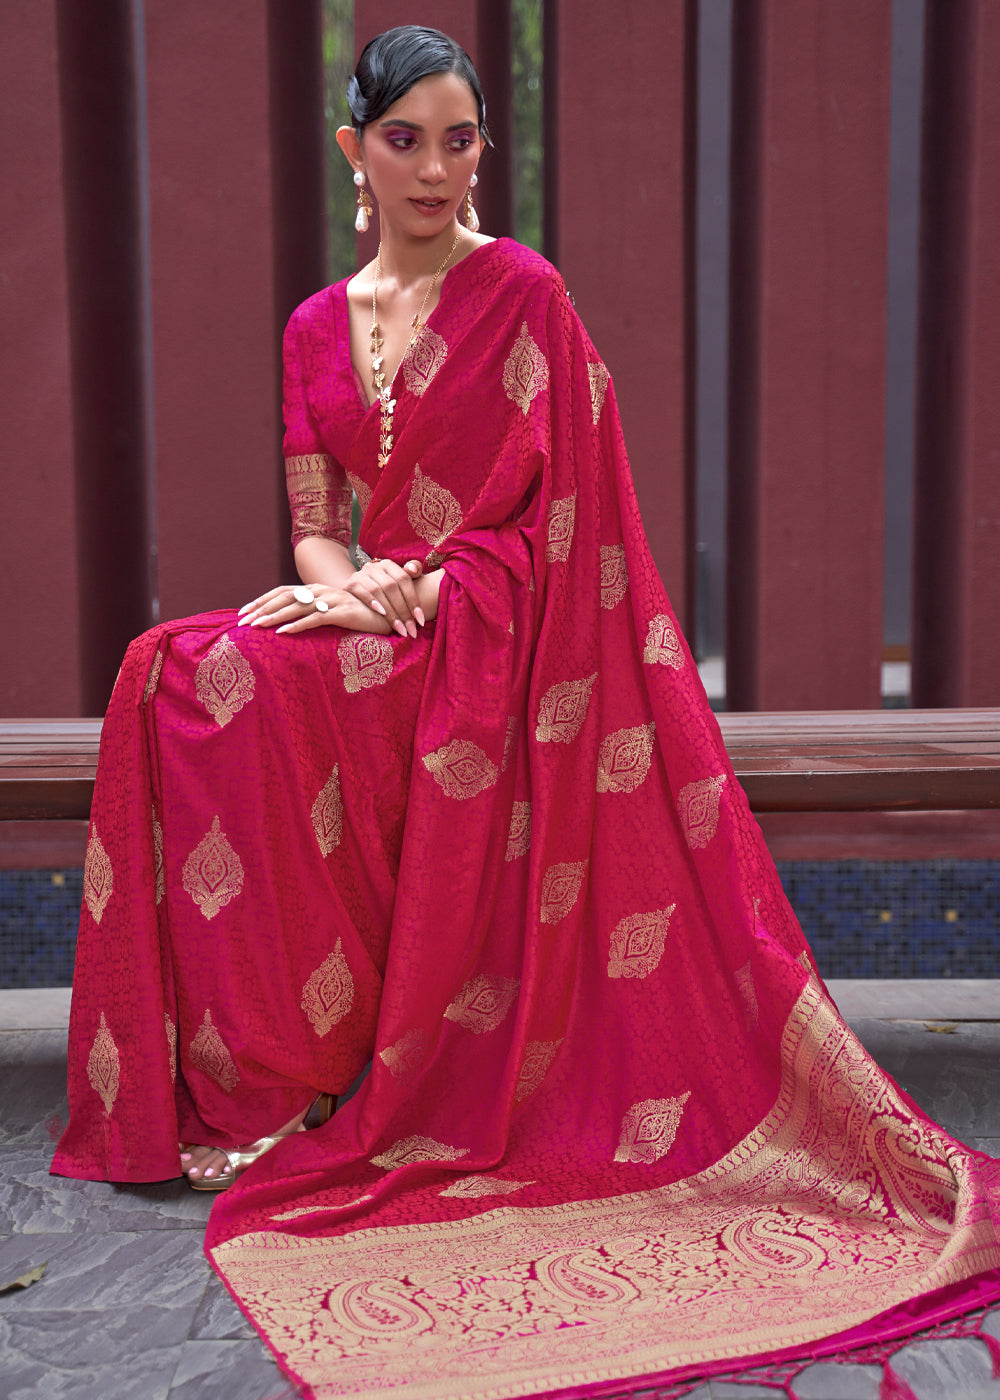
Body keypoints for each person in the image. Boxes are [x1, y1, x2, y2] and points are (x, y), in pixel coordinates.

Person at [54, 25, 1000, 1398]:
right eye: (406, 139)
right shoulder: (317, 326)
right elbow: (317, 524)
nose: (436, 167)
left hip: (496, 648)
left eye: (461, 138)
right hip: (383, 621)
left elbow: (559, 527)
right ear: (353, 152)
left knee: (236, 676)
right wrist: (344, 591)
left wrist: (416, 596)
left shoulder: (527, 298)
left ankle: (345, 1076)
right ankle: (260, 1081)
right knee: (178, 669)